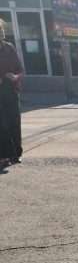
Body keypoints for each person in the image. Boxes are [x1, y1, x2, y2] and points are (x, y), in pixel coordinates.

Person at [0, 19, 25, 168]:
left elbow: (20, 69)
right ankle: (3, 155)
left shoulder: (9, 48)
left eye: (1, 30)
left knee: (14, 121)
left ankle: (16, 153)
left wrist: (15, 77)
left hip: (11, 89)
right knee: (2, 124)